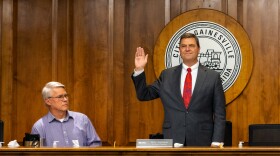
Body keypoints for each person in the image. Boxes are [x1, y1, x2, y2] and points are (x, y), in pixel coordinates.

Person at [131, 33, 226, 147]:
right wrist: (139, 69)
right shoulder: (167, 75)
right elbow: (143, 95)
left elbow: (220, 113)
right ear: (179, 50)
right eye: (183, 46)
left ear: (198, 49)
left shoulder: (213, 77)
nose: (187, 49)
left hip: (203, 141)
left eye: (191, 45)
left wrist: (216, 142)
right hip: (173, 140)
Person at [31, 81, 101, 147]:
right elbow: (36, 153)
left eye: (66, 95)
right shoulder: (39, 127)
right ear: (48, 101)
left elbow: (95, 145)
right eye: (60, 97)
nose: (65, 99)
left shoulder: (82, 119)